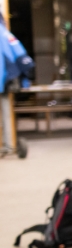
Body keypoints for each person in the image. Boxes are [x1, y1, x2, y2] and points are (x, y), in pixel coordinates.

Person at [0, 11, 35, 154]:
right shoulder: (5, 34)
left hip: (4, 79)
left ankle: (8, 146)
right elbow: (22, 58)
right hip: (5, 80)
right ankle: (9, 146)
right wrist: (24, 79)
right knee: (6, 113)